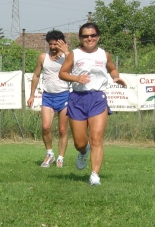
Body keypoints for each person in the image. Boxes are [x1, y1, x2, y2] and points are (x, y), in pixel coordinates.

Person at [58, 22, 126, 186]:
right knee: (80, 142)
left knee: (96, 139)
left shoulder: (104, 54)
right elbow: (62, 73)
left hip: (97, 98)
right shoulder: (74, 54)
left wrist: (115, 77)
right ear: (80, 38)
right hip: (77, 99)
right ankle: (83, 152)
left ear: (98, 36)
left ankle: (95, 175)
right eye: (86, 36)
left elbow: (112, 68)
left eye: (93, 35)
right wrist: (76, 78)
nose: (90, 38)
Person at [27, 30, 70, 168]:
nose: (52, 47)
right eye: (50, 44)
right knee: (45, 127)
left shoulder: (68, 57)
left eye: (55, 44)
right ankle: (50, 154)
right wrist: (32, 95)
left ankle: (61, 158)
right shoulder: (42, 57)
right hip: (48, 96)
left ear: (62, 43)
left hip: (64, 96)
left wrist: (67, 52)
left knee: (63, 130)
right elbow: (36, 76)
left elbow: (76, 70)